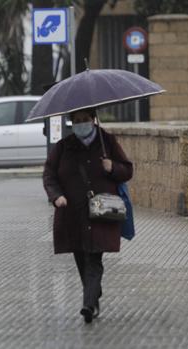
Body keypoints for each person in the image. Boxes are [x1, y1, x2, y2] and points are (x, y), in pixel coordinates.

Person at [42, 108, 133, 324]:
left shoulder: (107, 141)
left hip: (101, 213)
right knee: (81, 258)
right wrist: (56, 196)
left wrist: (112, 167)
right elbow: (49, 174)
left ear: (93, 119)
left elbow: (127, 170)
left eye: (85, 119)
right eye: (77, 120)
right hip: (72, 214)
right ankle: (93, 294)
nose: (82, 123)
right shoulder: (64, 147)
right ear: (72, 122)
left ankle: (88, 305)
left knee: (94, 258)